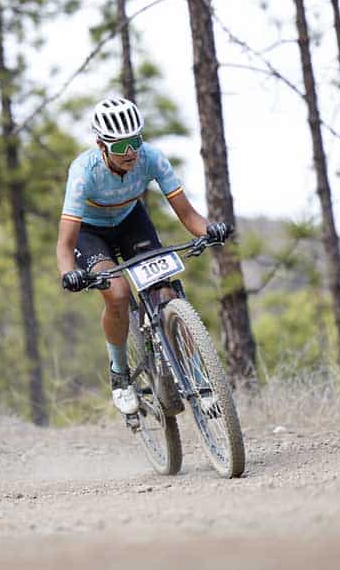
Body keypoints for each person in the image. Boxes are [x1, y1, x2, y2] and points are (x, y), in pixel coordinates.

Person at [56, 97, 233, 415]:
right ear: (101, 144)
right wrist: (68, 272)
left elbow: (188, 215)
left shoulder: (151, 158)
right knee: (118, 293)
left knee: (165, 293)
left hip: (131, 223)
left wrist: (209, 230)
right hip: (91, 233)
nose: (130, 152)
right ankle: (120, 375)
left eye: (135, 141)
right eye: (120, 145)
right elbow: (65, 242)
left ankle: (198, 378)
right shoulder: (83, 171)